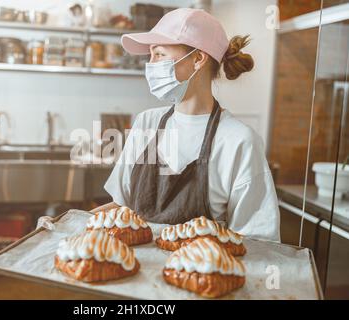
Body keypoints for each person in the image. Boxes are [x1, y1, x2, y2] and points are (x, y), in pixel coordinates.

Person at [94, 8, 280, 242]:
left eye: (159, 54)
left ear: (198, 59)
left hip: (199, 275)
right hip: (136, 271)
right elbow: (121, 208)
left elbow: (258, 241)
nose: (150, 64)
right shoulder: (146, 123)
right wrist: (65, 223)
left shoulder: (239, 141)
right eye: (150, 55)